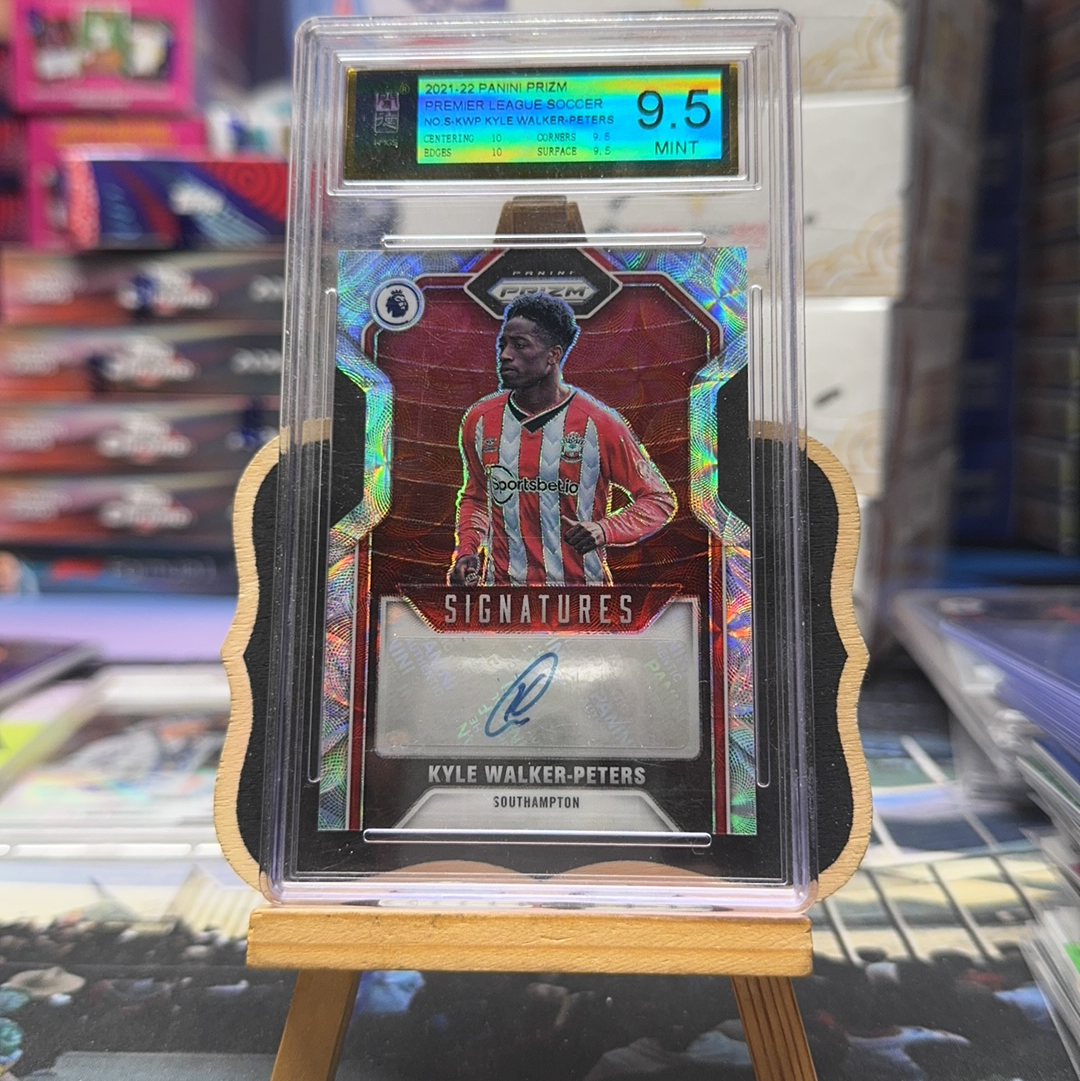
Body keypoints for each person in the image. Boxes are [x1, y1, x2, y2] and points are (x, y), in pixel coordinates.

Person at [449, 292, 675, 587]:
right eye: (502, 345)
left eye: (519, 345)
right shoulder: (480, 420)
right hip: (503, 597)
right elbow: (478, 498)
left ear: (553, 355)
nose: (505, 355)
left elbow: (658, 500)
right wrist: (467, 550)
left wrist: (604, 529)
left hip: (583, 598)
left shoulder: (599, 423)